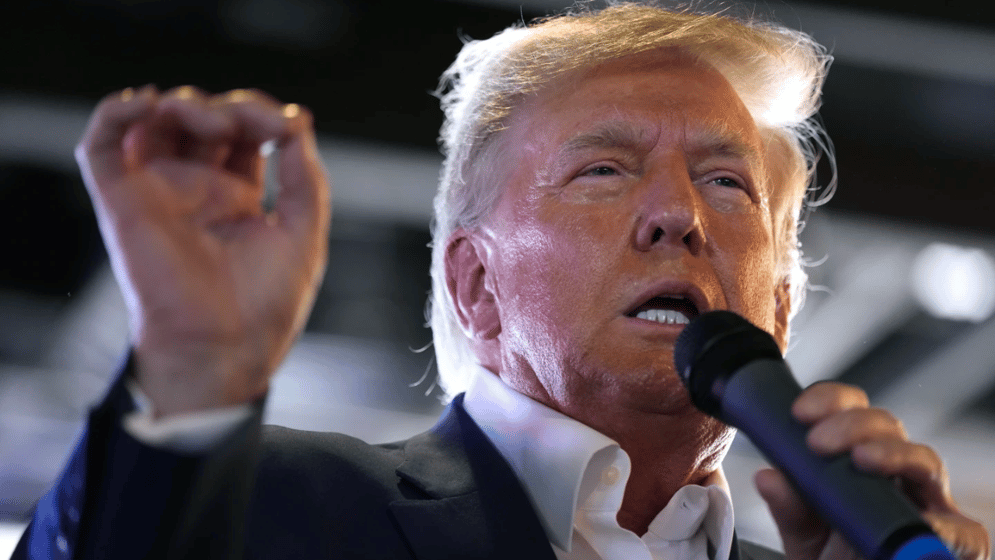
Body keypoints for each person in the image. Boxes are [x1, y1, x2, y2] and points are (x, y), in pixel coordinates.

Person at [13, 3, 990, 560]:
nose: (678, 215)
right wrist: (190, 366)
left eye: (725, 181)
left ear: (778, 303)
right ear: (475, 287)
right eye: (603, 170)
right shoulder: (272, 511)